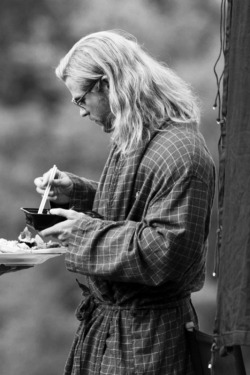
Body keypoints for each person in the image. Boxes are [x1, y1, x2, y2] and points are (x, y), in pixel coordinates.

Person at [34, 30, 215, 375]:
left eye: (80, 99)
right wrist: (77, 192)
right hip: (110, 331)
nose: (81, 111)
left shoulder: (181, 152)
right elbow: (136, 205)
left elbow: (166, 250)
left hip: (148, 342)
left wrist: (81, 234)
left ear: (106, 84)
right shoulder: (137, 134)